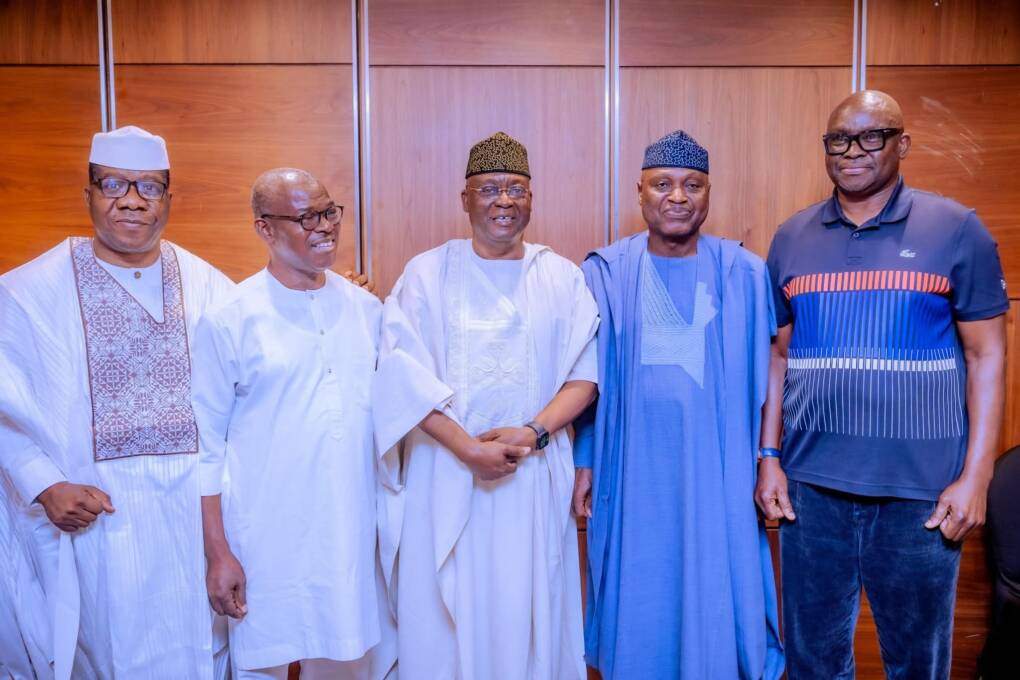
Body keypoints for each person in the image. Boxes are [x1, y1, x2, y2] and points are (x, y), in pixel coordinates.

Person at [756, 90, 1008, 679]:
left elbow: (988, 354)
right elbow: (778, 353)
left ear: (903, 144)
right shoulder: (792, 237)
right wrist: (769, 456)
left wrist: (977, 476)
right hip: (810, 491)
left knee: (916, 665)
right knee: (813, 663)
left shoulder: (956, 228)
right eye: (838, 140)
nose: (853, 152)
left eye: (872, 137)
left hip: (921, 495)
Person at [0, 126, 233, 678]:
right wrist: (42, 484)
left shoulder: (210, 286)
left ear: (169, 200)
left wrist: (323, 296)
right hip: (94, 529)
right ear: (88, 196)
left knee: (201, 653)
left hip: (191, 522)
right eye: (113, 184)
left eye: (149, 187)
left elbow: (265, 361)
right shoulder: (26, 293)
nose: (131, 199)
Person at [373, 132, 599, 680]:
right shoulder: (426, 275)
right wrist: (468, 449)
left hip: (532, 475)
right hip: (445, 472)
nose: (504, 200)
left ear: (531, 198)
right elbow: (400, 378)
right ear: (465, 198)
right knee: (441, 615)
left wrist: (533, 433)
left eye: (516, 188)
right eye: (490, 188)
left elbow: (585, 377)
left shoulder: (561, 276)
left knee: (527, 607)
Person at [572, 130, 784, 679]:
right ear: (639, 192)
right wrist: (585, 461)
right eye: (663, 184)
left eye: (693, 185)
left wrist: (767, 457)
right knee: (638, 583)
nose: (678, 196)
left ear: (709, 194)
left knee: (718, 577)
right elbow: (585, 378)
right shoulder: (604, 273)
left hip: (719, 470)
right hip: (633, 468)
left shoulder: (745, 272)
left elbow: (774, 372)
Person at [191, 168, 389, 680]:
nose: (325, 226)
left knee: (349, 657)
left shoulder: (367, 309)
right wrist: (218, 553)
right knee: (263, 661)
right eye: (305, 217)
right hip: (262, 540)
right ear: (265, 229)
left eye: (328, 212)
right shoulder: (230, 316)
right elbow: (205, 448)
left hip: (347, 533)